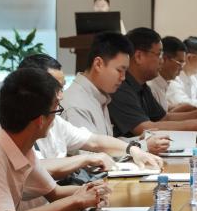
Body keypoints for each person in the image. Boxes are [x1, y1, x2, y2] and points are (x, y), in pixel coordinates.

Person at [0, 67, 111, 211]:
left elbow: (54, 192)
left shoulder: (20, 143)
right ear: (40, 121)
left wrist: (93, 190)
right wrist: (75, 200)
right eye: (56, 109)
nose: (56, 118)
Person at [18, 53, 165, 173]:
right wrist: (86, 160)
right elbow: (35, 167)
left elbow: (94, 141)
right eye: (119, 70)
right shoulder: (18, 124)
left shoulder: (56, 118)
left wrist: (133, 149)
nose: (61, 96)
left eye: (62, 88)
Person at [111, 29, 197, 137]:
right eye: (159, 55)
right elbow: (144, 128)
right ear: (139, 56)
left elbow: (164, 118)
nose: (162, 61)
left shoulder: (142, 86)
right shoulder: (121, 86)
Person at [61, 32, 135, 139]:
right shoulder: (76, 106)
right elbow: (95, 149)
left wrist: (141, 142)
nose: (123, 77)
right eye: (119, 70)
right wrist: (140, 145)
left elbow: (107, 142)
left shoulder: (99, 96)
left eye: (125, 72)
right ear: (98, 64)